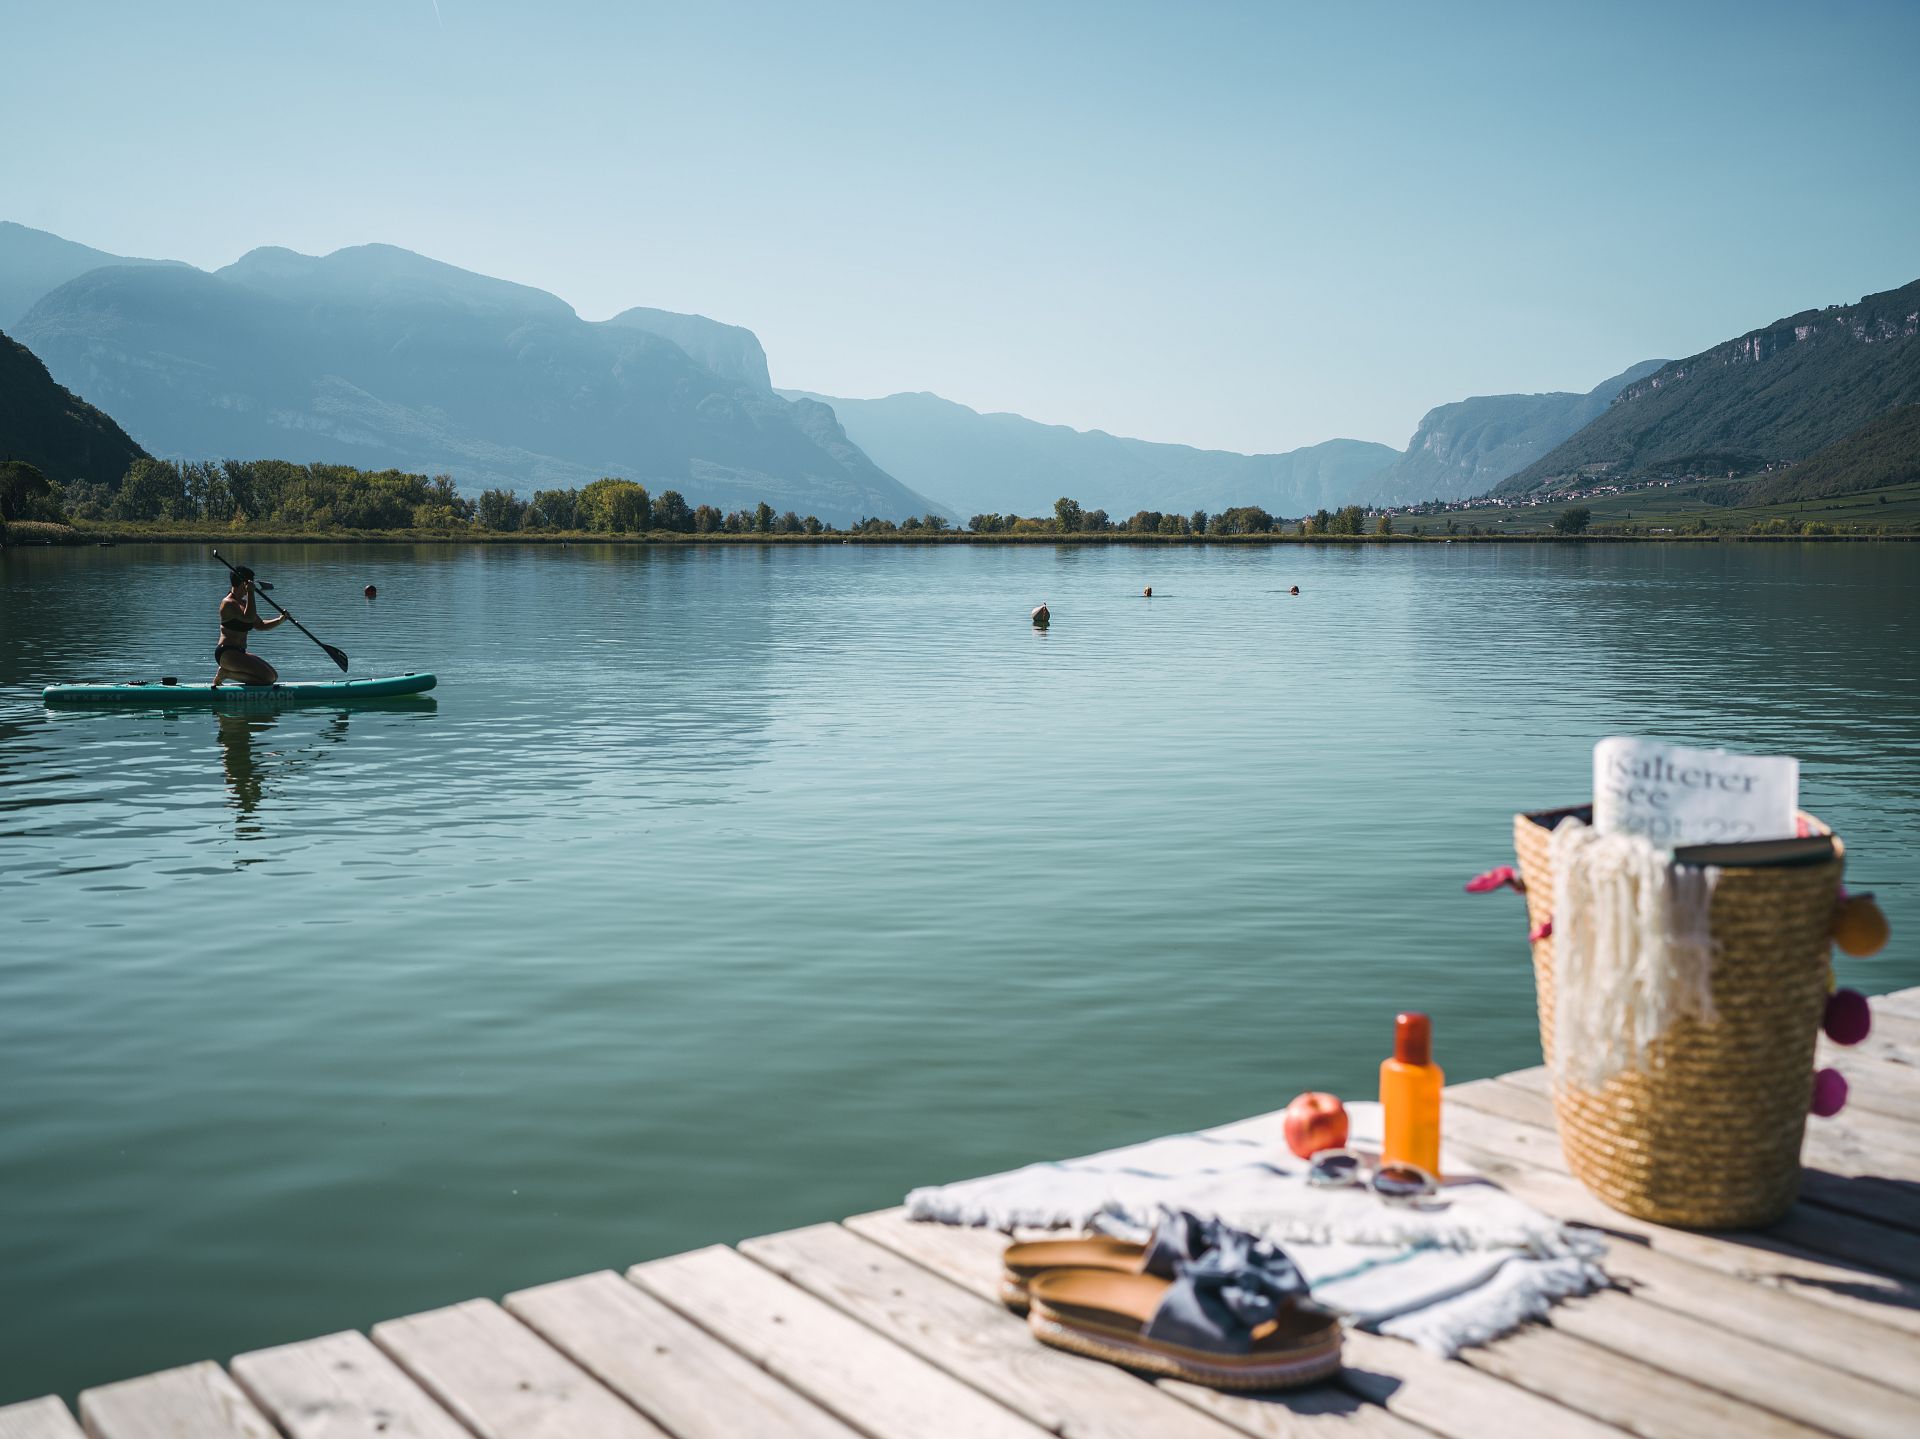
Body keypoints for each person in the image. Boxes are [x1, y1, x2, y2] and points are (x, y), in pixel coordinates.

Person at [212, 567, 290, 687]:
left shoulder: (243, 603)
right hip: (227, 653)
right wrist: (250, 593)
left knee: (273, 676)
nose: (253, 585)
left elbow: (260, 625)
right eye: (251, 582)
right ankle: (226, 674)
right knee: (267, 679)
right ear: (244, 583)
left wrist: (280, 620)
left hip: (239, 652)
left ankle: (227, 673)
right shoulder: (228, 603)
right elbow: (248, 618)